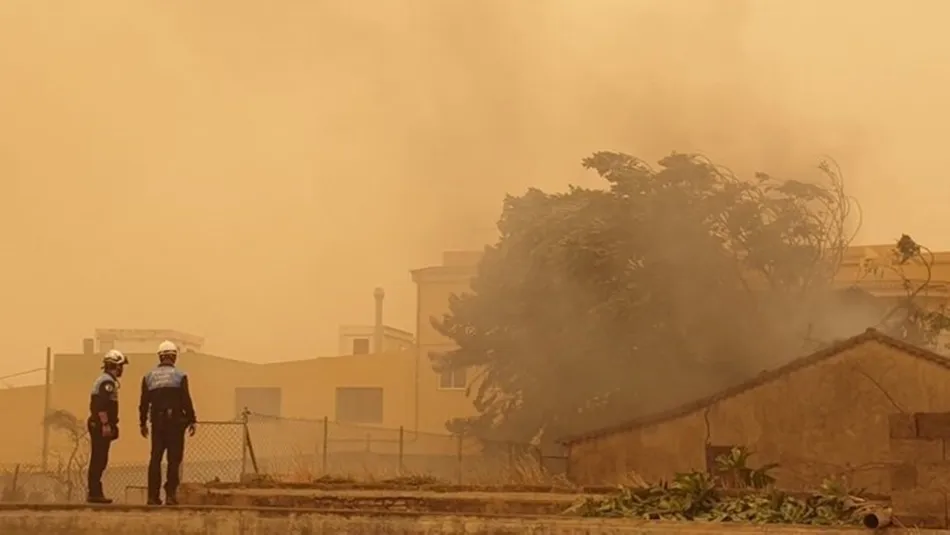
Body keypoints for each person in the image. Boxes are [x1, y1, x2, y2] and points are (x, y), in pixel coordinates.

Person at [139, 340, 197, 505]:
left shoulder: (149, 377)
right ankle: (170, 495)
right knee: (174, 460)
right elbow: (186, 399)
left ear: (160, 356)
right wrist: (192, 419)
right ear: (174, 357)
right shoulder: (180, 376)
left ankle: (152, 496)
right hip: (175, 424)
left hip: (157, 423)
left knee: (155, 458)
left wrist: (142, 423)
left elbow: (143, 403)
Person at [86, 349, 128, 504]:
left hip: (98, 423)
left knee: (99, 458)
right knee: (99, 459)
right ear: (115, 366)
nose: (122, 369)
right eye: (121, 366)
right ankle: (94, 493)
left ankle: (95, 491)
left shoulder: (104, 380)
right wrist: (105, 424)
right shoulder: (107, 383)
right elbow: (100, 406)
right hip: (99, 424)